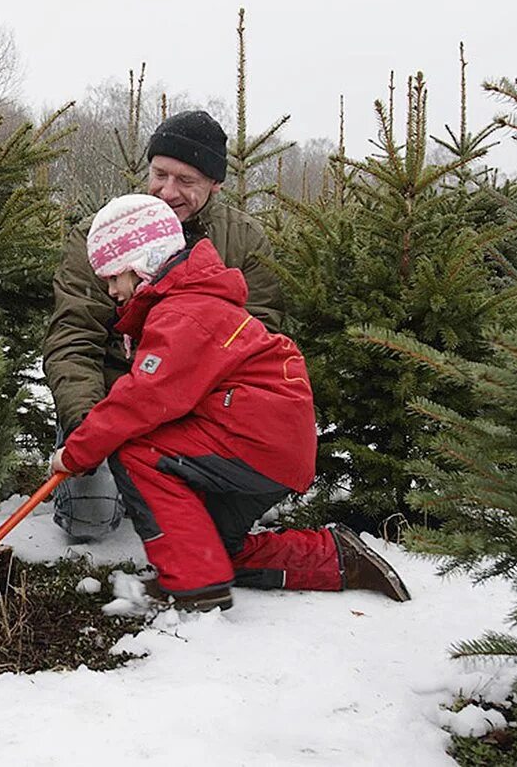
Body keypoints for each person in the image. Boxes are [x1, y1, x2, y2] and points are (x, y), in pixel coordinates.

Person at [48, 193, 411, 611]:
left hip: (253, 442)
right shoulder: (189, 302)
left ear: (141, 264)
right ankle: (336, 558)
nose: (110, 290)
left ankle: (196, 589)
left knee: (136, 449)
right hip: (272, 447)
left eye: (113, 277)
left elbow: (140, 401)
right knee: (208, 549)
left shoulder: (183, 313)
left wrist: (76, 453)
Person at [43, 110, 284, 539]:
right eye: (159, 174)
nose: (167, 191)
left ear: (215, 185)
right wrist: (86, 429)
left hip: (200, 408)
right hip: (111, 399)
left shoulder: (244, 241)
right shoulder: (100, 235)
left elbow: (260, 338)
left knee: (206, 528)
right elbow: (73, 337)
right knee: (89, 521)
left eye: (186, 181)